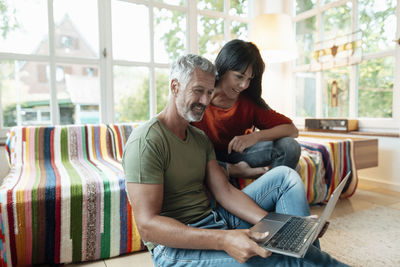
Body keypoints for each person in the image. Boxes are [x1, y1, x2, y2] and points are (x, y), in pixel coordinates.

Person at [122, 54, 349, 267]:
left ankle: (298, 240)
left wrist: (285, 227)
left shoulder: (199, 138)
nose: (205, 100)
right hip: (174, 248)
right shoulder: (147, 141)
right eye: (198, 91)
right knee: (282, 261)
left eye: (209, 92)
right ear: (175, 87)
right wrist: (224, 240)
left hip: (216, 219)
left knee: (285, 178)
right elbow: (148, 226)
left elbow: (225, 193)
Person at [192, 39, 301, 179]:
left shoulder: (248, 102)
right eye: (239, 76)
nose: (244, 85)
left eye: (249, 79)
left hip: (237, 154)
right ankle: (234, 171)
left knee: (290, 147)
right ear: (223, 68)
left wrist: (255, 136)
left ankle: (270, 189)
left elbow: (292, 130)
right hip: (206, 157)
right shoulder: (199, 95)